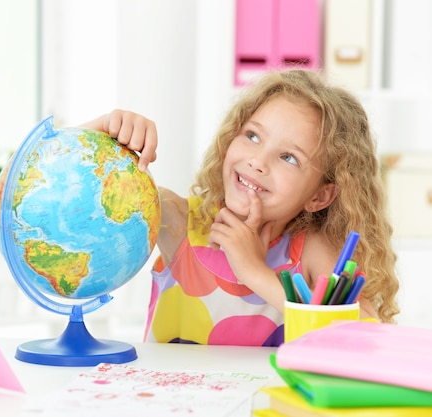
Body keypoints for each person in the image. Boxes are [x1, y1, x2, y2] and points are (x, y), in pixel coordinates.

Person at [81, 69, 399, 346]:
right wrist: (96, 136)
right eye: (252, 136)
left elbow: (366, 339)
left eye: (289, 157)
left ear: (320, 196)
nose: (257, 162)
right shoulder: (178, 221)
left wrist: (255, 272)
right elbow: (72, 196)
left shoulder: (311, 252)